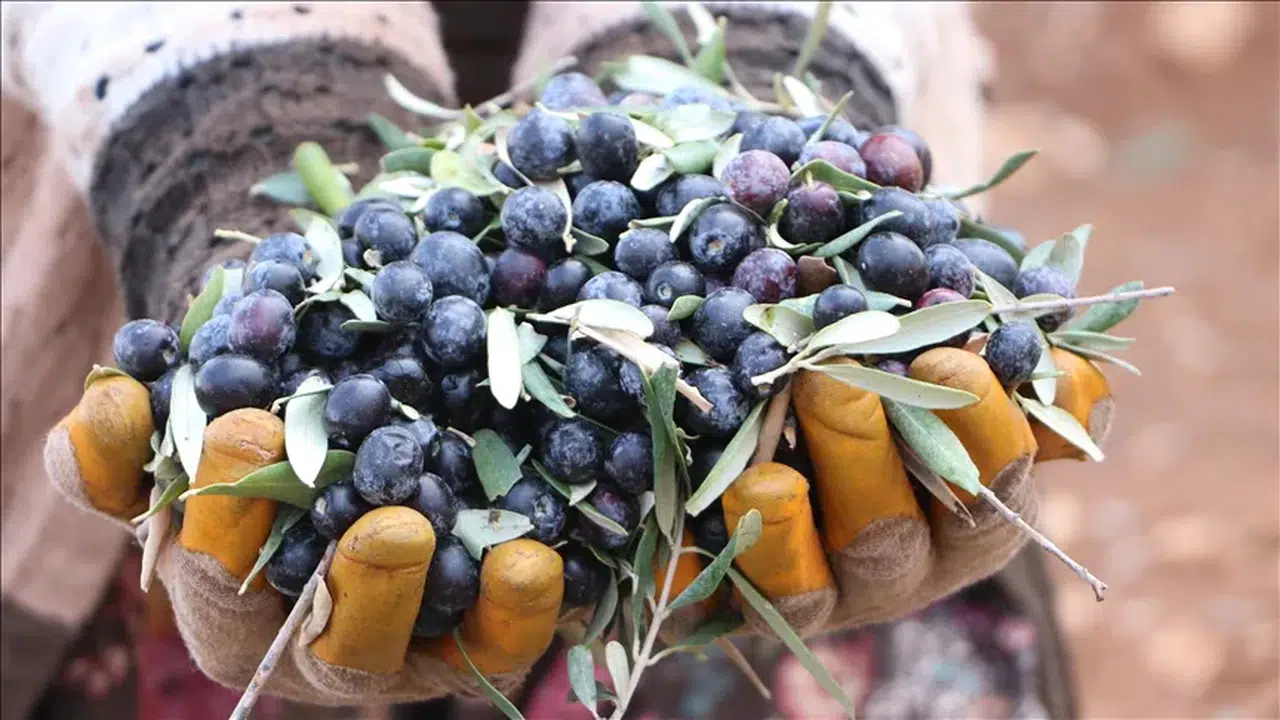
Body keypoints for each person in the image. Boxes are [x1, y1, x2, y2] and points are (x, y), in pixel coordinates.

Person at [0, 3, 1094, 718]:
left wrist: (727, 51)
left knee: (778, 486)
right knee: (291, 551)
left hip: (735, 444)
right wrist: (228, 94)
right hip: (97, 161)